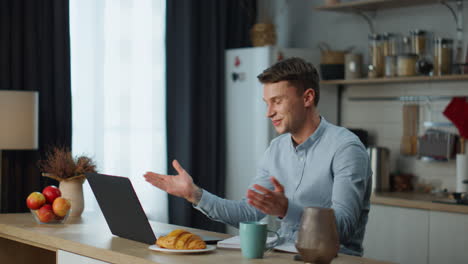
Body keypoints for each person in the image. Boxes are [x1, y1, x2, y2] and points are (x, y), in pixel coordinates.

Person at [144, 57, 372, 256]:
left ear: (307, 98)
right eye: (267, 103)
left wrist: (287, 210)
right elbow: (248, 212)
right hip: (283, 256)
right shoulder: (276, 149)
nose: (268, 112)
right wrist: (195, 194)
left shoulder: (346, 148)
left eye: (277, 101)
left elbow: (343, 226)